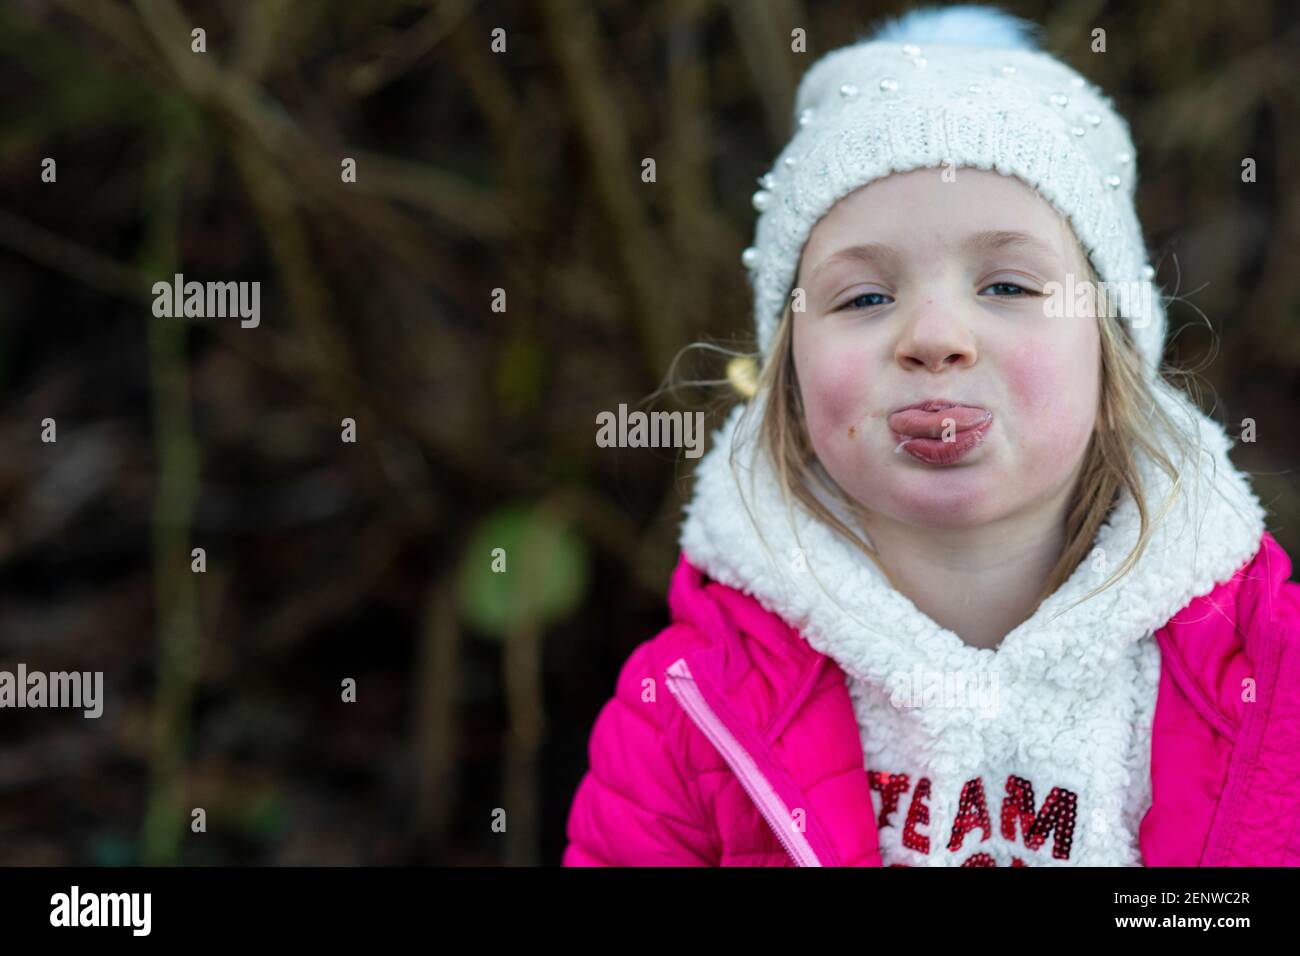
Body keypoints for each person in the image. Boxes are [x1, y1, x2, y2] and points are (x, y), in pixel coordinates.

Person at [562, 4, 1300, 866]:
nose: (935, 335)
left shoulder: (1269, 677)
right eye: (865, 298)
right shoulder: (683, 714)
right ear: (793, 392)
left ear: (1113, 366)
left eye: (1011, 286)